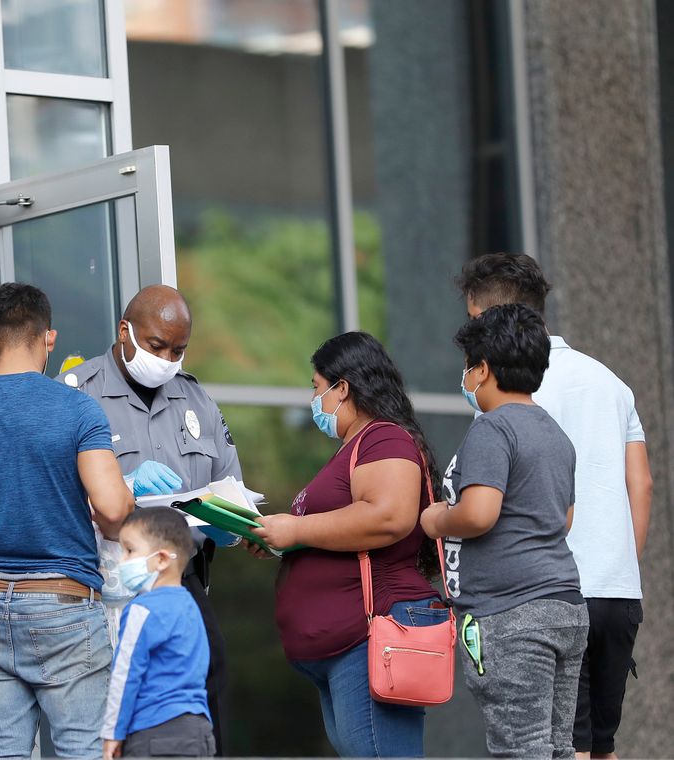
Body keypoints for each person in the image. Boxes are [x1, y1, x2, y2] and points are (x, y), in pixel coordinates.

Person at [0, 282, 134, 758]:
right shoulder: (79, 409)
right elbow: (114, 508)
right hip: (63, 603)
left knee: (5, 751)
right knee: (80, 749)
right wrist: (125, 486)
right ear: (49, 338)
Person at [457, 253, 652, 759]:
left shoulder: (507, 392)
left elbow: (486, 502)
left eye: (472, 320)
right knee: (602, 747)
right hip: (618, 591)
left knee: (558, 749)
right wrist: (621, 566)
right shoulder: (613, 383)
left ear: (488, 318)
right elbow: (642, 484)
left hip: (545, 592)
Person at [56, 284, 238, 755]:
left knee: (204, 703)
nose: (166, 358)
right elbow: (51, 496)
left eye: (178, 350)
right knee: (108, 717)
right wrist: (123, 486)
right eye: (156, 346)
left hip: (180, 582)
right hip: (102, 586)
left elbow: (230, 489)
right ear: (125, 331)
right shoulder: (76, 396)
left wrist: (228, 520)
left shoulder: (197, 401)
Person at [246, 331, 445, 758]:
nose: (313, 399)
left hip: (368, 634)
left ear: (343, 388)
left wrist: (296, 531)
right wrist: (283, 542)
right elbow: (338, 528)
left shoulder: (383, 439)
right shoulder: (353, 447)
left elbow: (388, 516)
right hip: (343, 644)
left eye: (316, 388)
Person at [421, 303, 588, 758]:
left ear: (484, 370)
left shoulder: (492, 429)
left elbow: (477, 514)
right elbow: (564, 518)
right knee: (557, 747)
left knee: (521, 748)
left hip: (511, 613)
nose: (466, 379)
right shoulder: (555, 433)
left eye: (468, 368)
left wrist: (436, 518)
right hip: (566, 608)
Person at [101, 508, 214, 759]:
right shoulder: (191, 606)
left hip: (154, 733)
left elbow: (125, 674)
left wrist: (112, 733)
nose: (122, 561)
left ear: (161, 559)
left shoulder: (141, 609)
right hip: (199, 732)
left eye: (129, 550)